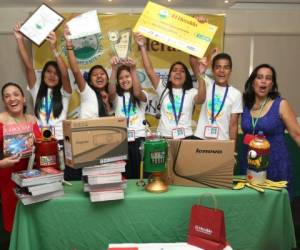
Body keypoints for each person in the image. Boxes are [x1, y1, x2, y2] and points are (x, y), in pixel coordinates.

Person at [13, 25, 77, 179]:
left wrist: (54, 49)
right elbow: (29, 66)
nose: (52, 75)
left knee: (63, 178)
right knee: (42, 179)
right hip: (40, 143)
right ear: (43, 74)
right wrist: (20, 40)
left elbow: (65, 74)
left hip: (61, 143)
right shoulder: (36, 90)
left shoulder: (65, 93)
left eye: (55, 73)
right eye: (48, 71)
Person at [240, 64, 300, 195]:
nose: (263, 81)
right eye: (259, 77)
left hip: (274, 164)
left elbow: (297, 134)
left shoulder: (281, 104)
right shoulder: (246, 105)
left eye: (268, 78)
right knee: (250, 203)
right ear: (253, 82)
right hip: (249, 163)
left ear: (272, 84)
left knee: (274, 208)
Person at [134, 33, 206, 139]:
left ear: (186, 77)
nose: (178, 73)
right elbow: (149, 70)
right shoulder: (163, 89)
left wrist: (201, 75)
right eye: (174, 70)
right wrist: (142, 46)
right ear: (170, 76)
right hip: (164, 137)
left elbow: (201, 99)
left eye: (182, 71)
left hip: (185, 138)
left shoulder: (192, 92)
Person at [0, 82, 41, 232]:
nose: (12, 98)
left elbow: (41, 146)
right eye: (7, 96)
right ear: (4, 102)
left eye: (16, 94)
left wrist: (39, 142)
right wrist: (1, 163)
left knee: (34, 221)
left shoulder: (33, 119)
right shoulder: (0, 120)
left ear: (24, 99)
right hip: (9, 178)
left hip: (33, 175)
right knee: (15, 222)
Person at [108, 56, 148, 179]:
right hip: (121, 141)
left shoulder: (143, 94)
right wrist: (114, 70)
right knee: (125, 176)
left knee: (141, 175)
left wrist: (133, 69)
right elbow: (111, 92)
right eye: (121, 78)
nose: (124, 80)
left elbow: (137, 92)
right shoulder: (116, 98)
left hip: (139, 139)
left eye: (127, 76)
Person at [63, 25, 112, 118]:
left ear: (107, 78)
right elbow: (76, 71)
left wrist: (107, 104)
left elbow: (110, 121)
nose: (99, 76)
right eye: (95, 75)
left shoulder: (110, 97)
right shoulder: (87, 91)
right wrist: (69, 43)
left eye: (102, 74)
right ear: (90, 81)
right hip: (86, 132)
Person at [192, 52, 243, 141]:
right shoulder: (206, 83)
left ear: (230, 71)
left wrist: (232, 149)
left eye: (226, 67)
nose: (222, 71)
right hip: (201, 138)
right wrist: (201, 62)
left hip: (223, 141)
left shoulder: (236, 94)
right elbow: (192, 62)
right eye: (218, 67)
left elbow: (233, 125)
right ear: (212, 70)